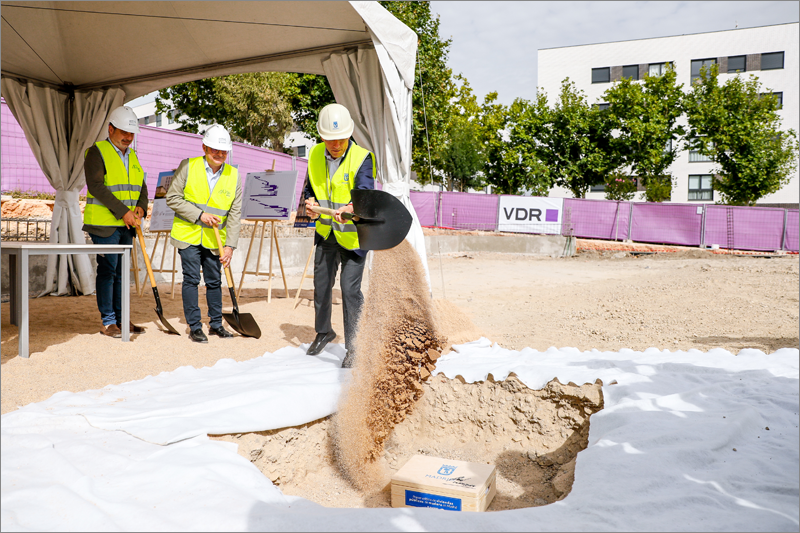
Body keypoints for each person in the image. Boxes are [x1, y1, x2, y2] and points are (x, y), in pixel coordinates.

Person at [303, 103, 376, 367]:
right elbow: (309, 188)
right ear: (322, 136)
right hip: (325, 231)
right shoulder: (313, 155)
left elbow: (366, 195)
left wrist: (351, 207)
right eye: (330, 139)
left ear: (349, 134)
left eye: (341, 139)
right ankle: (324, 332)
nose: (335, 144)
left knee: (349, 289)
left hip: (354, 236)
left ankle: (356, 346)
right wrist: (310, 204)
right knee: (321, 287)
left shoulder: (363, 158)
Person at [166, 125, 242, 343]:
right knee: (191, 279)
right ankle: (195, 326)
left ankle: (216, 324)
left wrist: (230, 246)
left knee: (214, 280)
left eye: (223, 151)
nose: (219, 154)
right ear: (204, 147)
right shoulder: (188, 166)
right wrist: (199, 215)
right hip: (187, 234)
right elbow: (172, 197)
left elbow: (235, 214)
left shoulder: (234, 175)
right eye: (214, 150)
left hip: (214, 239)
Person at [83, 105, 148, 338]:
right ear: (110, 129)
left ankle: (122, 319)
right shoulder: (96, 152)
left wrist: (141, 207)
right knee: (108, 271)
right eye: (124, 132)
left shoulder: (133, 155)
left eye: (131, 134)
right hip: (104, 225)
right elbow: (96, 186)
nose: (128, 138)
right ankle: (108, 321)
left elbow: (141, 185)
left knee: (122, 273)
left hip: (127, 226)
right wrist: (123, 212)